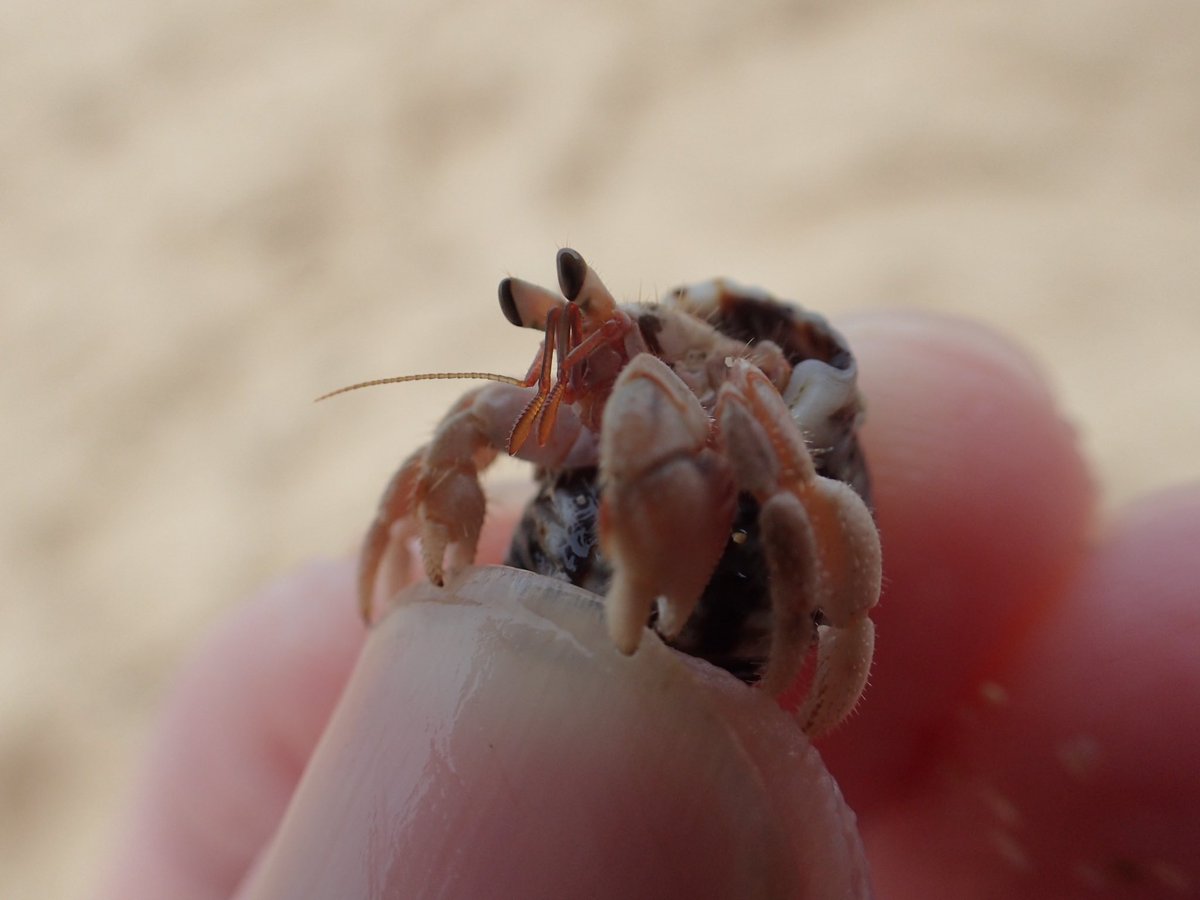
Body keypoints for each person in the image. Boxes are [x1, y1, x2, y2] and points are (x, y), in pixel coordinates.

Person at [97, 314, 1200, 899]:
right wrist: (412, 556)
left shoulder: (705, 378)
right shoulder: (585, 384)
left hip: (734, 438)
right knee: (469, 422)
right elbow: (474, 436)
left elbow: (789, 475)